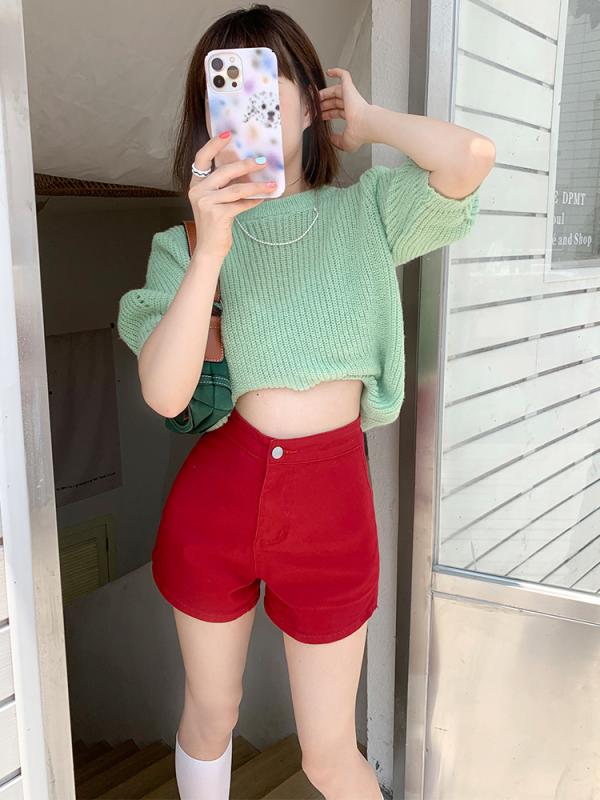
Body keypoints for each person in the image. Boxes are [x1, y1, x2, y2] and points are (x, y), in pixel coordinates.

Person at [117, 5, 495, 799]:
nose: (248, 104)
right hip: (218, 501)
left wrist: (370, 122)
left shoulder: (366, 212)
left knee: (327, 754)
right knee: (212, 714)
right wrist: (211, 248)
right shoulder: (185, 246)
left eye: (268, 79)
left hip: (332, 513)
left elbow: (471, 159)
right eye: (226, 90)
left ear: (308, 97)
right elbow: (164, 391)